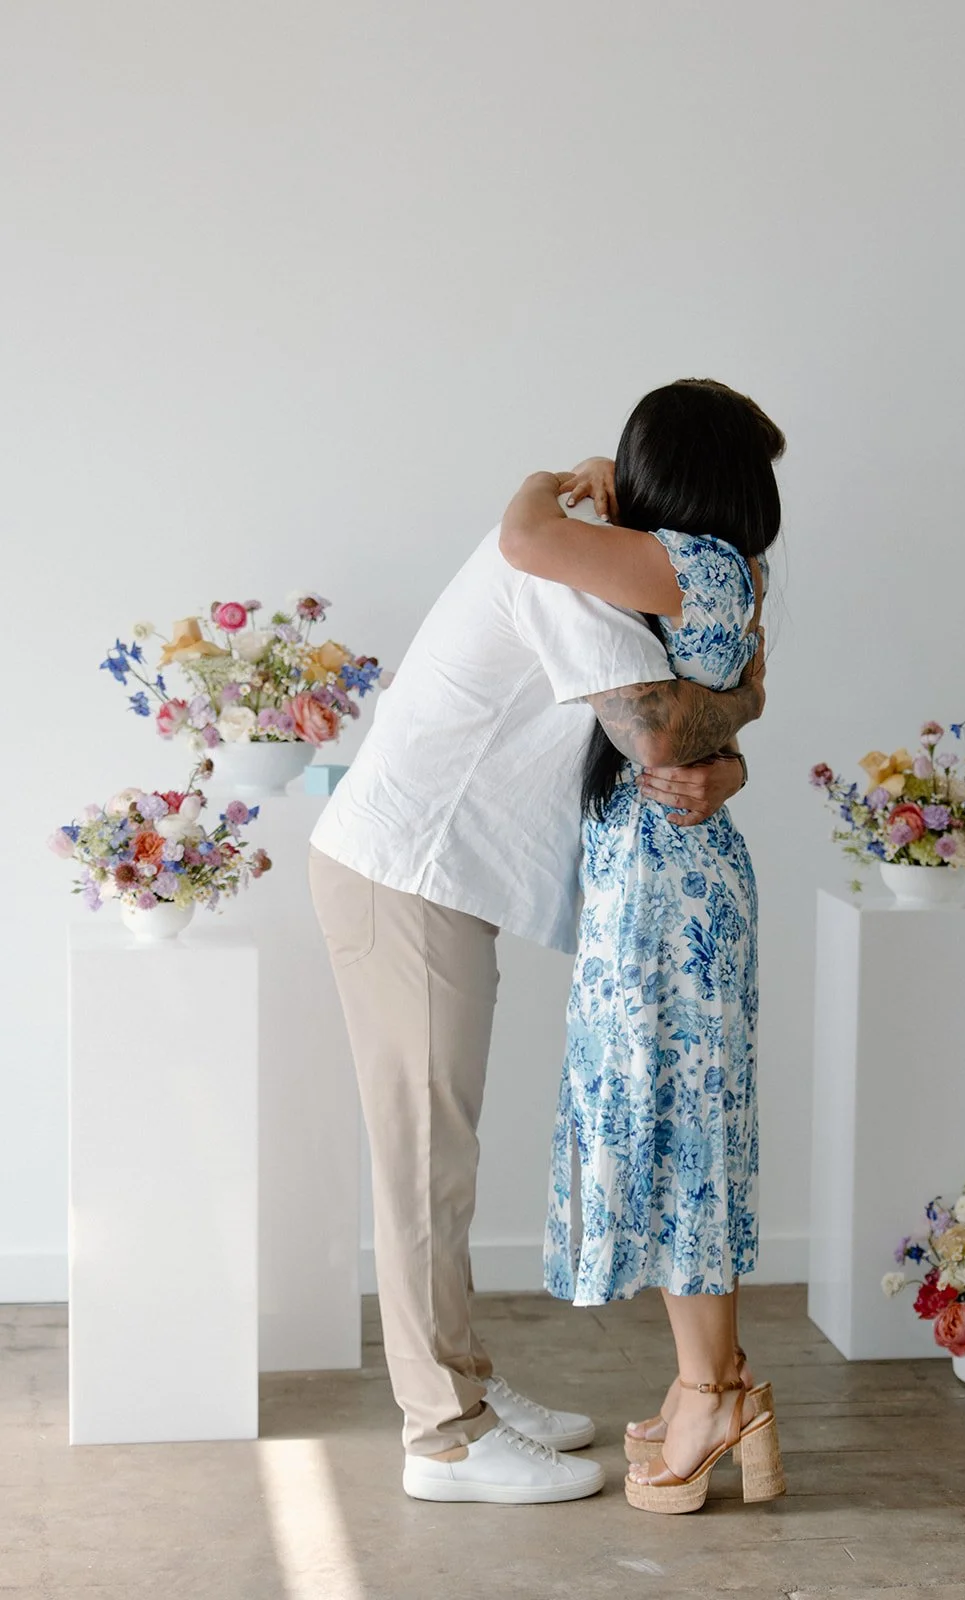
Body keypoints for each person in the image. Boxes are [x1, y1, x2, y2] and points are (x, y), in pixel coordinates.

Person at [308, 407, 766, 1504]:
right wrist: (744, 702)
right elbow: (657, 733)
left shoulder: (593, 556)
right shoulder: (566, 567)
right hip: (407, 867)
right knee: (424, 1157)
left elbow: (678, 724)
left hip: (433, 870)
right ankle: (444, 1437)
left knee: (441, 1152)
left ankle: (461, 1384)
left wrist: (733, 743)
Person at [498, 377, 787, 1515]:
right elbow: (707, 717)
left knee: (679, 1137)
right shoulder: (716, 572)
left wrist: (561, 478)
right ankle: (715, 1384)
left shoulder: (692, 564)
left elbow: (526, 536)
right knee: (678, 1129)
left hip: (669, 884)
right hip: (667, 868)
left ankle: (711, 1394)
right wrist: (736, 748)